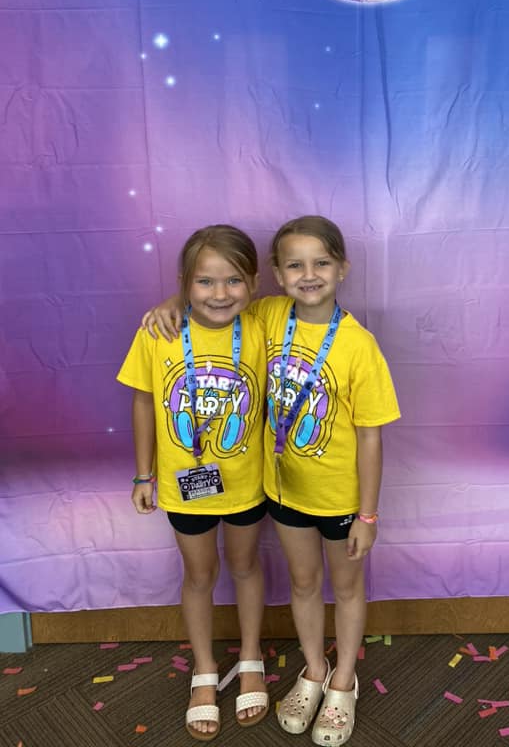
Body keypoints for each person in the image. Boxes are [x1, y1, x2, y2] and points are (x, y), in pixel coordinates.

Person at [143, 216, 401, 746]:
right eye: (295, 265)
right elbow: (211, 302)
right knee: (303, 584)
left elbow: (372, 438)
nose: (309, 275)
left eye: (321, 263)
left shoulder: (359, 345)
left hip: (341, 499)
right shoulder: (267, 314)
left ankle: (343, 683)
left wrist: (368, 514)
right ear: (278, 277)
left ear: (343, 268)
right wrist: (172, 303)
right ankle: (314, 670)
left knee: (345, 588)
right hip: (282, 492)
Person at [118, 225, 269, 741]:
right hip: (186, 488)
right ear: (184, 282)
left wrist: (176, 298)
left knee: (245, 566)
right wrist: (144, 473)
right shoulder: (158, 332)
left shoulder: (263, 327)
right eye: (204, 282)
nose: (220, 293)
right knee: (199, 575)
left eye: (233, 280)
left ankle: (251, 657)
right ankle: (204, 669)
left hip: (247, 483)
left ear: (255, 282)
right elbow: (143, 401)